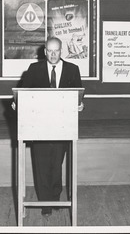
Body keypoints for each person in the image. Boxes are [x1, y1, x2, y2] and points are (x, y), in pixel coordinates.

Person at [13, 37, 83, 217]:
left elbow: (78, 95)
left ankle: (55, 197)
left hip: (62, 126)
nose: (53, 55)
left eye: (56, 51)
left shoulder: (72, 70)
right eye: (49, 51)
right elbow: (22, 92)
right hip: (38, 126)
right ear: (45, 51)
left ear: (61, 51)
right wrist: (17, 102)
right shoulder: (34, 69)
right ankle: (45, 202)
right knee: (41, 164)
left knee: (57, 163)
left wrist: (80, 105)